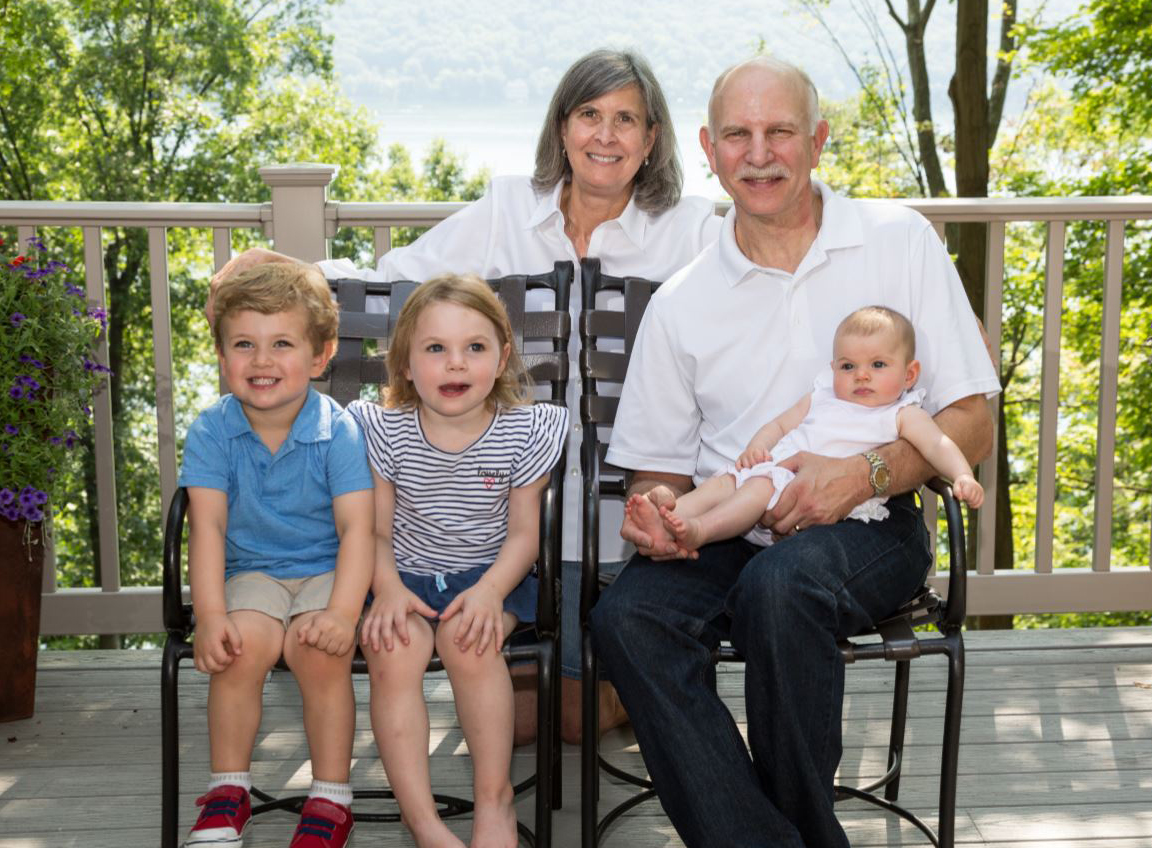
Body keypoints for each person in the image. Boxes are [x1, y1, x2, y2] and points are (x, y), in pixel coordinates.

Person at [208, 48, 719, 744]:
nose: (606, 135)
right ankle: (603, 692)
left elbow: (749, 311)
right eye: (589, 115)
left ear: (652, 137)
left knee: (563, 711)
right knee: (532, 716)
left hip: (633, 523)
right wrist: (297, 272)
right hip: (510, 528)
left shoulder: (690, 229)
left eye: (627, 119)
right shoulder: (511, 208)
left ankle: (615, 687)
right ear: (562, 127)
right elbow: (396, 282)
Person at [591, 56, 1000, 848]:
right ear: (709, 149)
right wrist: (659, 516)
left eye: (780, 131)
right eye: (738, 135)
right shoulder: (683, 300)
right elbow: (661, 472)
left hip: (872, 519)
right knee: (627, 619)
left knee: (781, 589)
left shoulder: (897, 241)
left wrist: (865, 473)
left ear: (816, 139)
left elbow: (972, 421)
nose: (760, 153)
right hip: (728, 519)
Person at [349, 274, 569, 848]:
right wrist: (390, 589)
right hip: (401, 576)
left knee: (469, 646)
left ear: (500, 360)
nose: (455, 365)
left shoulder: (524, 431)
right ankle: (422, 820)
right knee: (393, 652)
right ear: (405, 364)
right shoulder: (384, 431)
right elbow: (372, 530)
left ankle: (493, 799)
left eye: (474, 347)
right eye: (435, 349)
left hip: (492, 574)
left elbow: (525, 535)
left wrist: (492, 591)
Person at [178, 263, 374, 848]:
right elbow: (207, 528)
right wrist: (211, 617)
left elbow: (358, 530)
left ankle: (331, 798)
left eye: (281, 344)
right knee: (240, 650)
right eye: (244, 344)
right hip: (252, 574)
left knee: (316, 652)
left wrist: (342, 614)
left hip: (327, 572)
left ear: (320, 356)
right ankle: (228, 791)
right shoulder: (211, 432)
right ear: (222, 355)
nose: (261, 361)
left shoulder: (338, 431)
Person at [627, 305, 985, 556]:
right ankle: (669, 516)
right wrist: (756, 448)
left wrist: (963, 475)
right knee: (726, 481)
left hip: (813, 497)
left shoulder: (901, 413)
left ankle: (700, 532)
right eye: (848, 365)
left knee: (756, 487)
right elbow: (781, 424)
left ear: (909, 374)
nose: (861, 375)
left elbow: (937, 443)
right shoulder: (823, 394)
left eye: (877, 365)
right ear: (833, 369)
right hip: (776, 469)